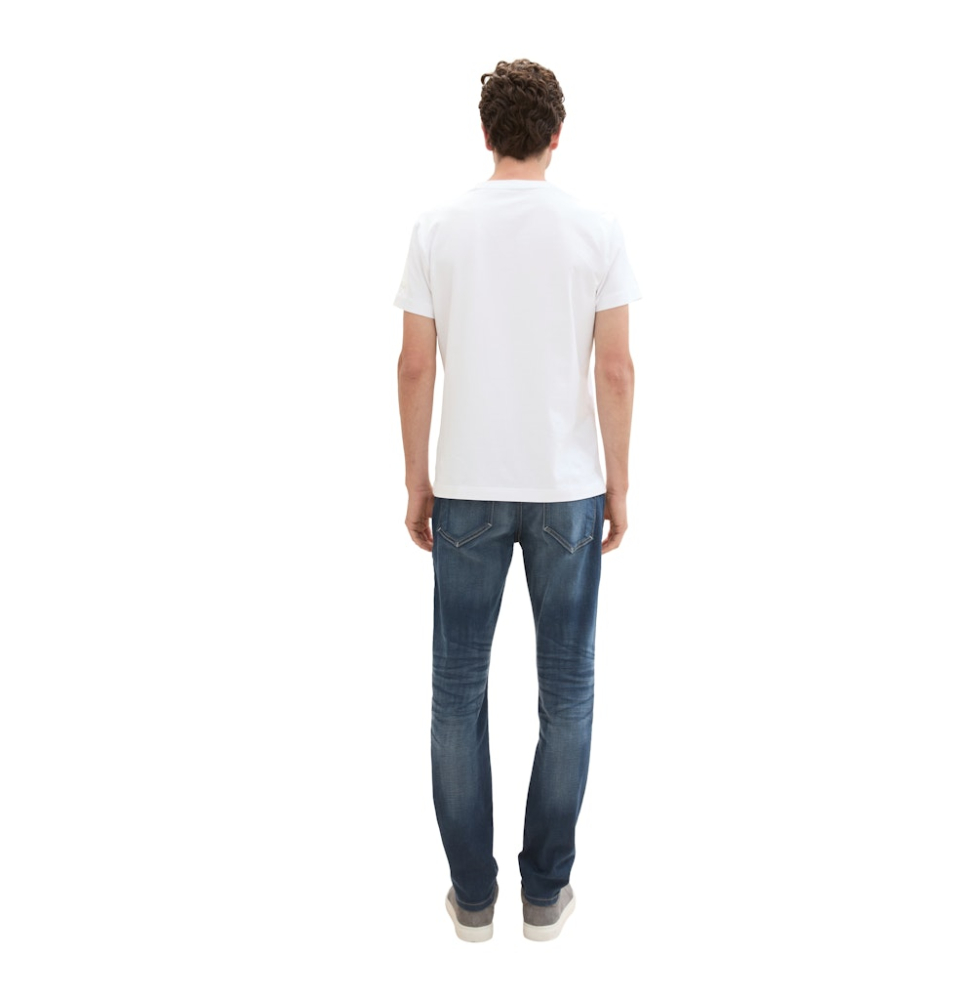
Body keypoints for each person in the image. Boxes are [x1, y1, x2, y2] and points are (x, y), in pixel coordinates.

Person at [393, 58, 641, 942]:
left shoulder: (438, 229)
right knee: (567, 693)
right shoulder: (596, 231)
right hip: (568, 489)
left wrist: (416, 479)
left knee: (456, 696)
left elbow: (414, 365)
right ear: (556, 135)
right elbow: (616, 368)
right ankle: (545, 894)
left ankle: (472, 899)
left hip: (465, 487)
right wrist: (619, 483)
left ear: (486, 132)